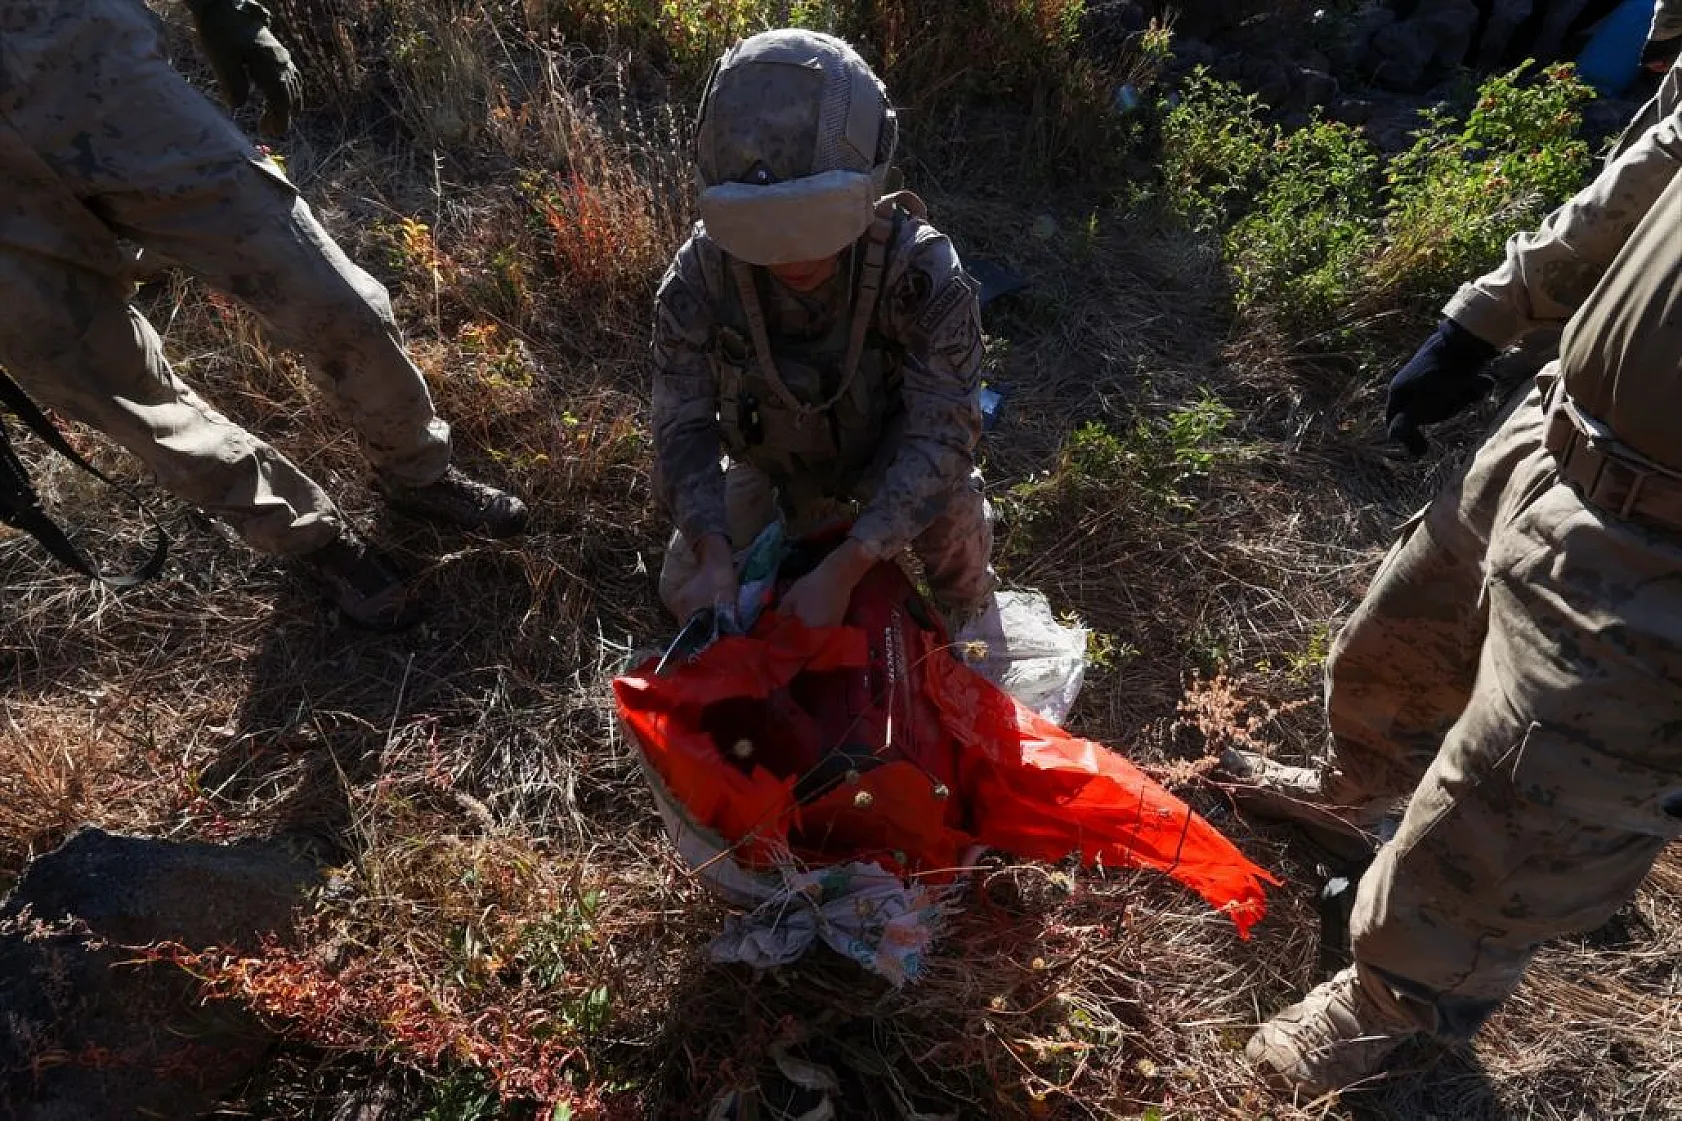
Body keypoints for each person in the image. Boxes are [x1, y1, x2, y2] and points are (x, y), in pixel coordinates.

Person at [1225, 33, 1682, 1095]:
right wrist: (1483, 316)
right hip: (1550, 435)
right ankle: (1355, 792)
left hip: (1659, 569)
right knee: (1398, 641)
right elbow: (1658, 161)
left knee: (1521, 816)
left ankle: (1390, 999)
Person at [0, 0, 527, 630]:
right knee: (117, 393)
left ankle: (416, 469)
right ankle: (312, 538)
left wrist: (227, 12)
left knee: (334, 297)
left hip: (86, 64)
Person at [650, 29, 995, 633]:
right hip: (771, 459)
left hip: (882, 452)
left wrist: (849, 565)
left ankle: (964, 622)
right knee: (684, 587)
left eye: (810, 222)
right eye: (767, 228)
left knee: (955, 527)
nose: (791, 258)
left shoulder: (918, 272)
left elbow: (943, 436)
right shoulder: (701, 275)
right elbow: (681, 425)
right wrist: (710, 552)